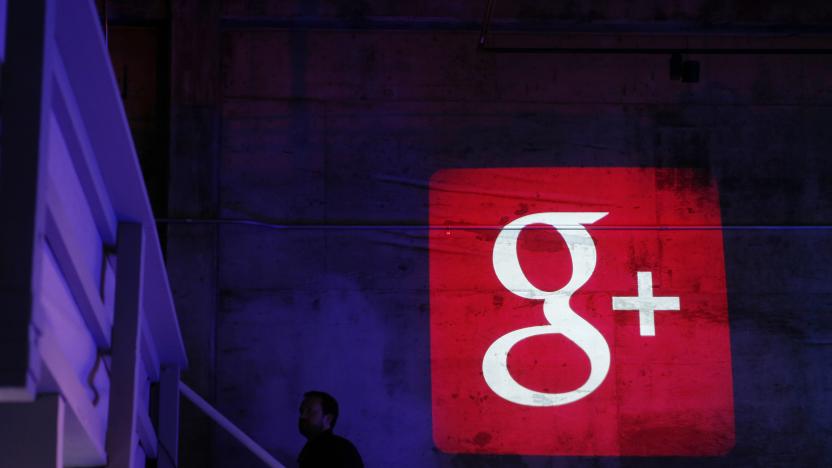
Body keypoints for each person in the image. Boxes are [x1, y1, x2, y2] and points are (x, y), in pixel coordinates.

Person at [297, 391, 364, 468]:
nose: (302, 416)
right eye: (301, 411)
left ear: (328, 419)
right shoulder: (313, 448)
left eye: (309, 411)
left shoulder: (341, 450)